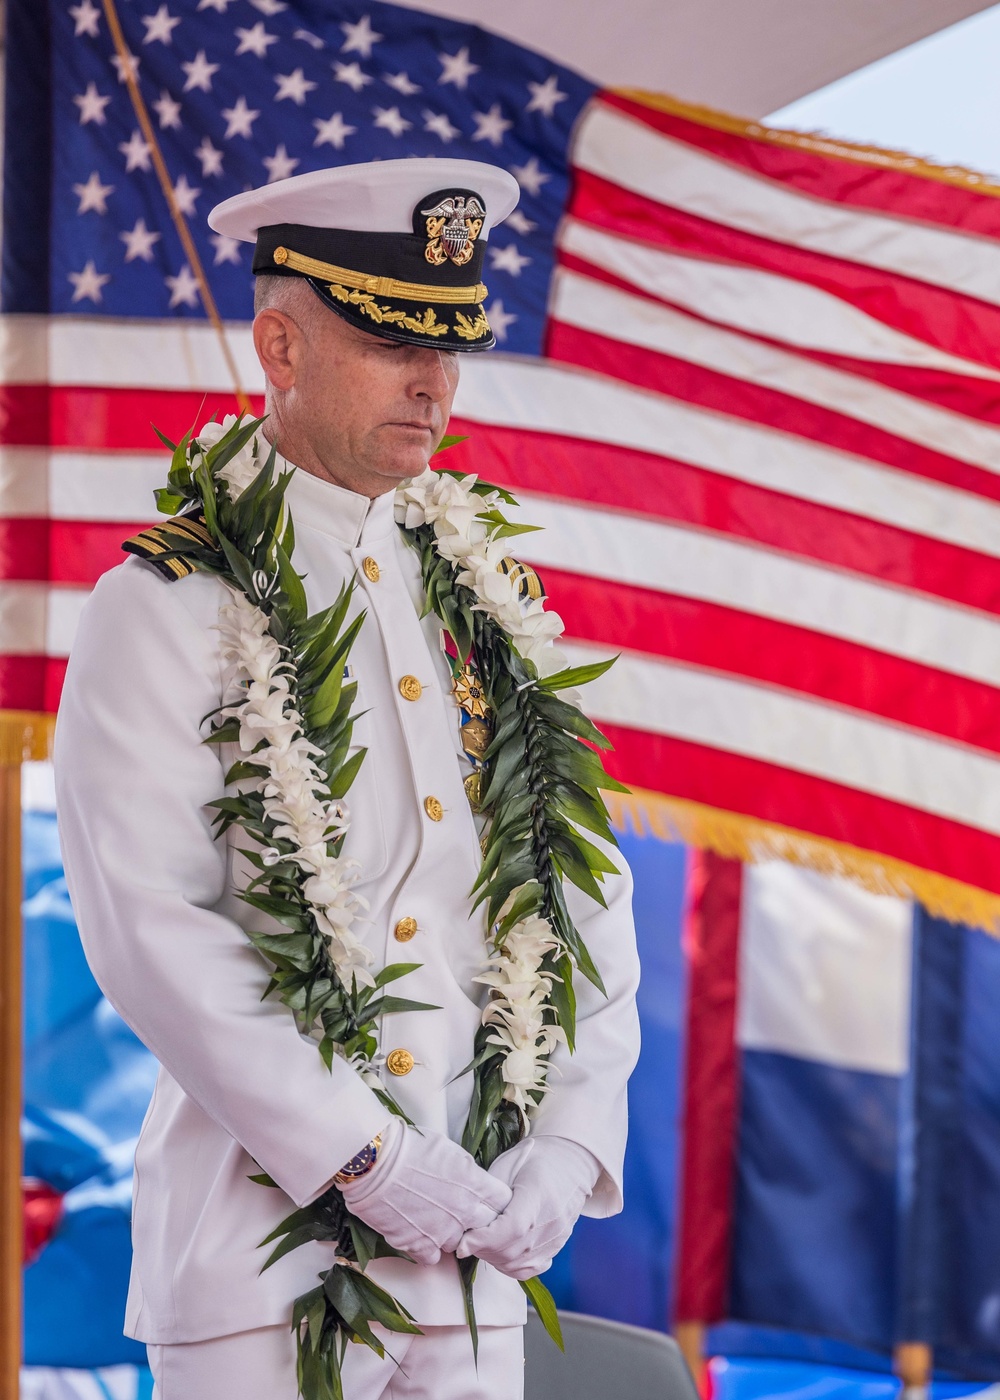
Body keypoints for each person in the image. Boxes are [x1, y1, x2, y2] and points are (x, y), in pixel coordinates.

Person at [54, 157, 640, 1400]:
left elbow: (583, 903)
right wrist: (363, 1154)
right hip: (257, 1276)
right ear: (279, 341)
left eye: (450, 343)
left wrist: (572, 1138)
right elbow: (150, 930)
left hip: (478, 1274)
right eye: (391, 340)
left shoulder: (487, 605)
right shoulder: (162, 609)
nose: (433, 381)